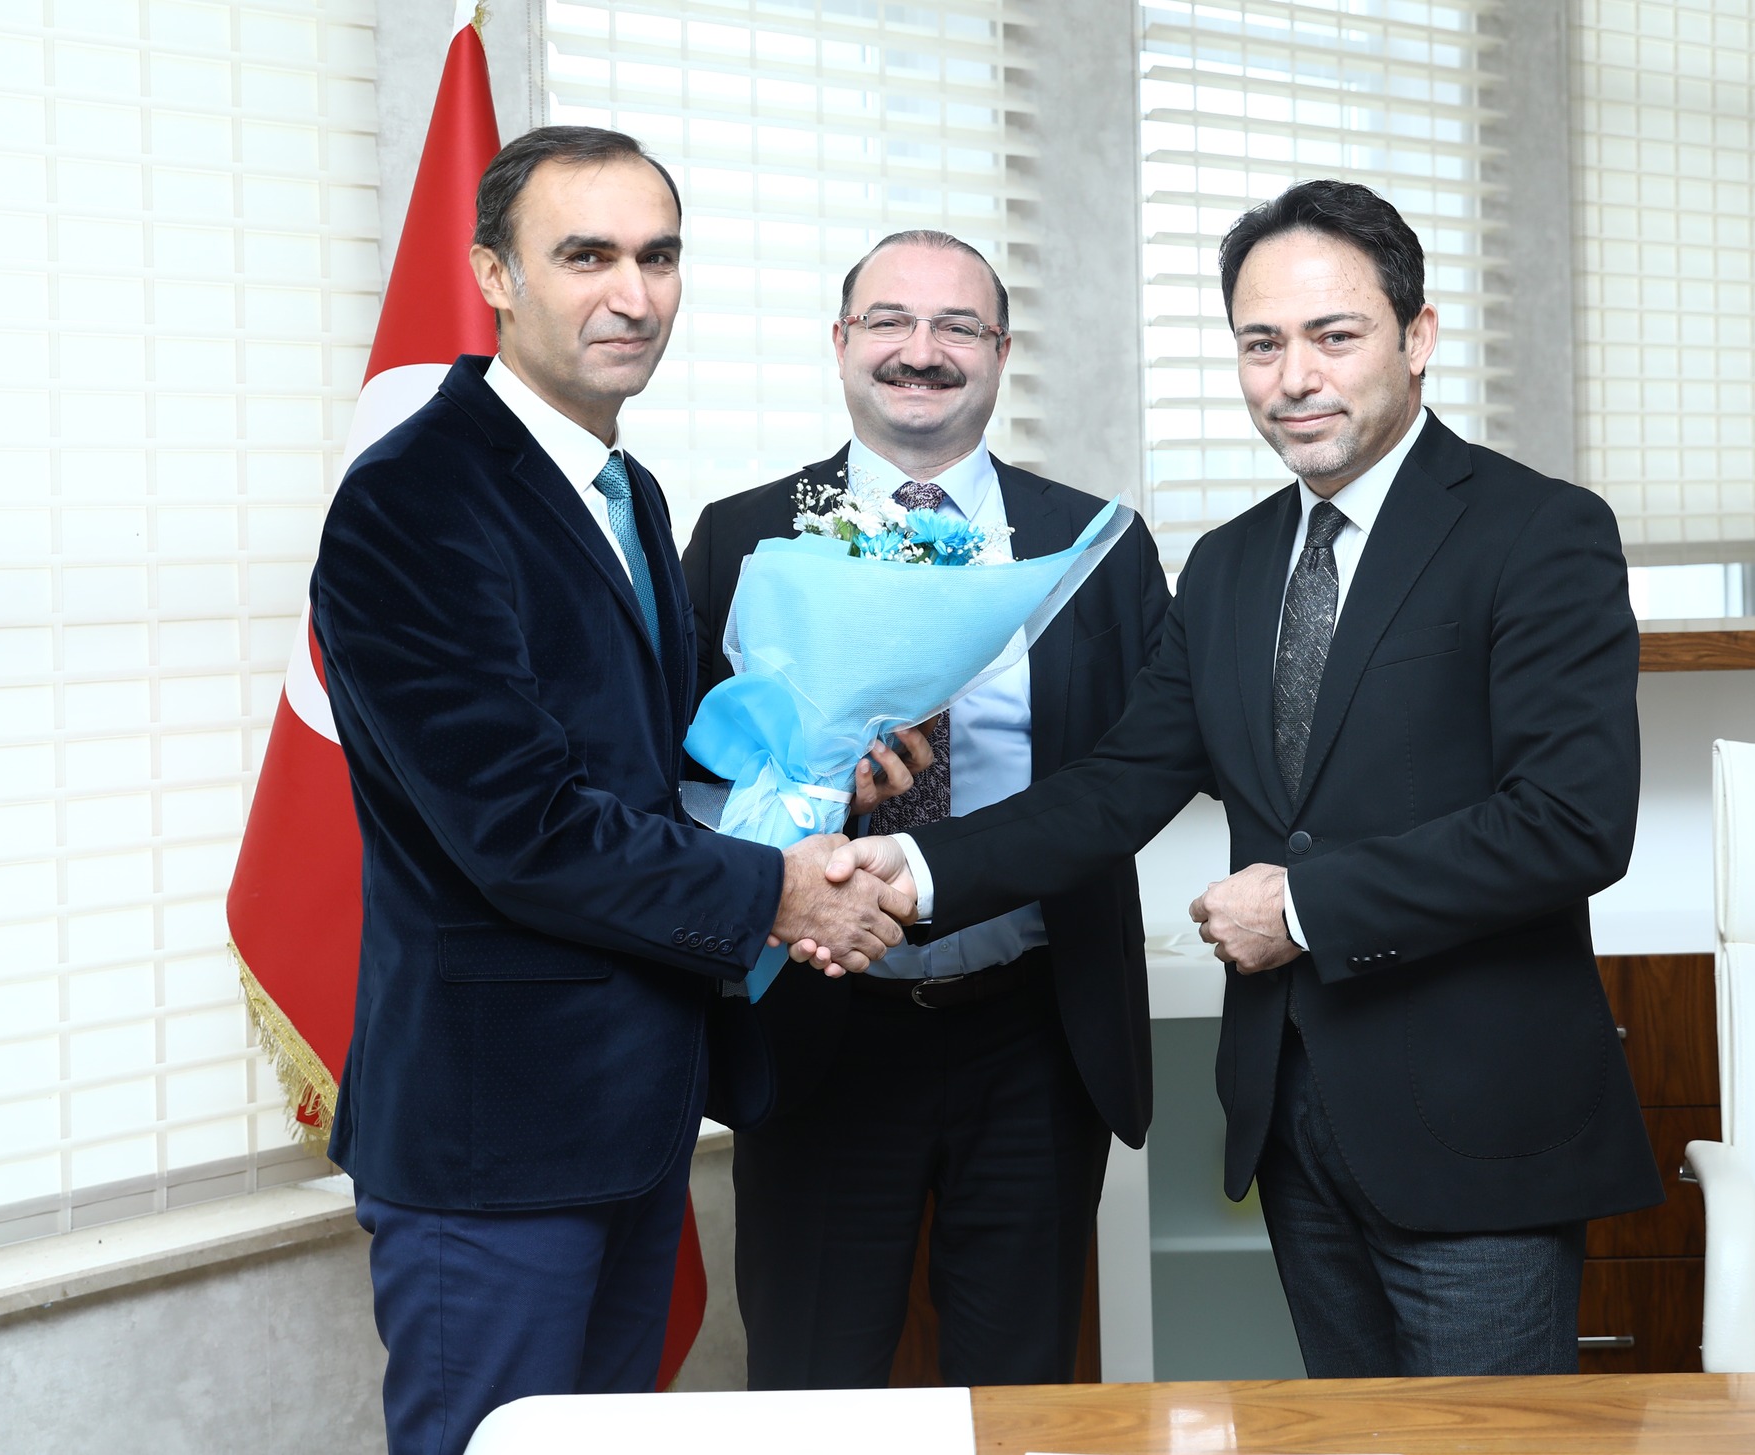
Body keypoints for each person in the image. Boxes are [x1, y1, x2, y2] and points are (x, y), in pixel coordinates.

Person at [827, 181, 1664, 1377]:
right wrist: (906, 869)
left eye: (1334, 336)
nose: (1293, 378)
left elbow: (1568, 822)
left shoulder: (1538, 532)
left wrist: (1302, 907)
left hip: (1476, 1130)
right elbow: (1117, 784)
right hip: (1291, 1120)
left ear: (1416, 338)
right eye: (1260, 344)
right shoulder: (1227, 565)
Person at [309, 126, 913, 1454]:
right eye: (586, 256)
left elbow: (645, 767)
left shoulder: (624, 490)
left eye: (659, 256)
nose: (633, 295)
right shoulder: (414, 501)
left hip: (628, 1113)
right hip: (494, 1137)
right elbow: (520, 824)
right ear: (495, 275)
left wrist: (818, 771)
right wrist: (778, 891)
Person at [681, 229, 1171, 1388]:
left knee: (1022, 1394)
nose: (921, 350)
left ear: (999, 350)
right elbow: (681, 776)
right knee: (811, 1390)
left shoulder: (1092, 544)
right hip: (821, 1031)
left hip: (1034, 1030)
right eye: (889, 322)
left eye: (956, 325)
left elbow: (1144, 764)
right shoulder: (743, 535)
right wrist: (806, 794)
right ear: (840, 342)